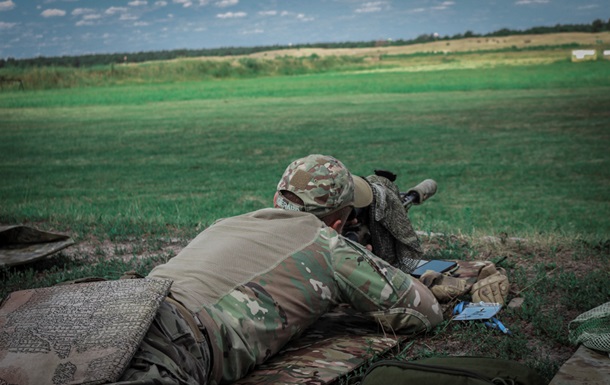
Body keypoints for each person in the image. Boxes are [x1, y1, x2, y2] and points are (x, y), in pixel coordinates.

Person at [0, 154, 443, 385]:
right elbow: (423, 313)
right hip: (170, 337)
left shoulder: (228, 224)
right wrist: (372, 263)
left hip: (103, 304)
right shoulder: (327, 243)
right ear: (339, 221)